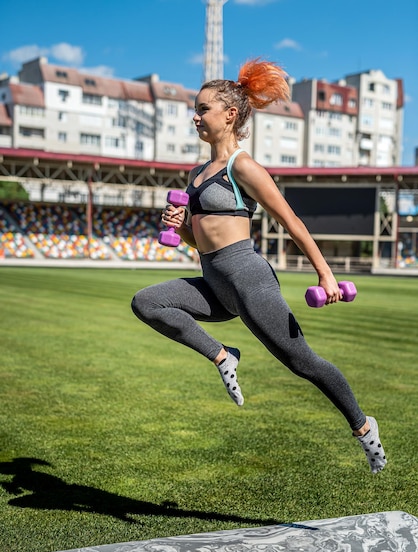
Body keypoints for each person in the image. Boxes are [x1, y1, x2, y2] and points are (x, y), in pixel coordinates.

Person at [131, 59, 387, 474]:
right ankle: (222, 355)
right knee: (148, 303)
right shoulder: (195, 174)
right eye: (194, 110)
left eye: (202, 109)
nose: (195, 117)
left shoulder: (242, 167)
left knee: (302, 362)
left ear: (229, 115)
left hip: (248, 279)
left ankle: (363, 427)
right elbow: (201, 241)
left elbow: (291, 222)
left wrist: (325, 274)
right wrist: (180, 230)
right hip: (215, 282)